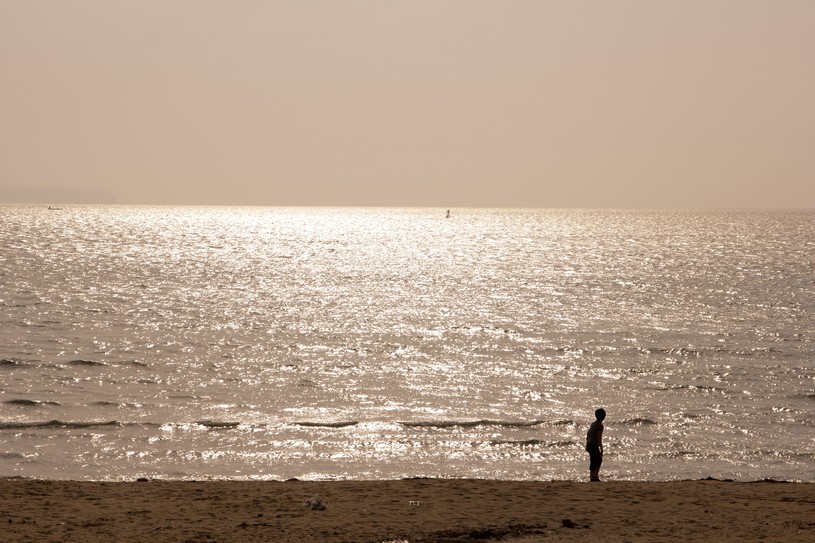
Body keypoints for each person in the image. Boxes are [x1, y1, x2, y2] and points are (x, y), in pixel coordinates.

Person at [585, 408, 606, 482]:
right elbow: (599, 438)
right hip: (594, 445)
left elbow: (588, 434)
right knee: (598, 460)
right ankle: (594, 477)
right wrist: (601, 449)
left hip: (589, 444)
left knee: (594, 460)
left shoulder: (593, 424)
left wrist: (587, 443)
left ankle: (593, 477)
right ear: (604, 416)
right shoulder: (600, 426)